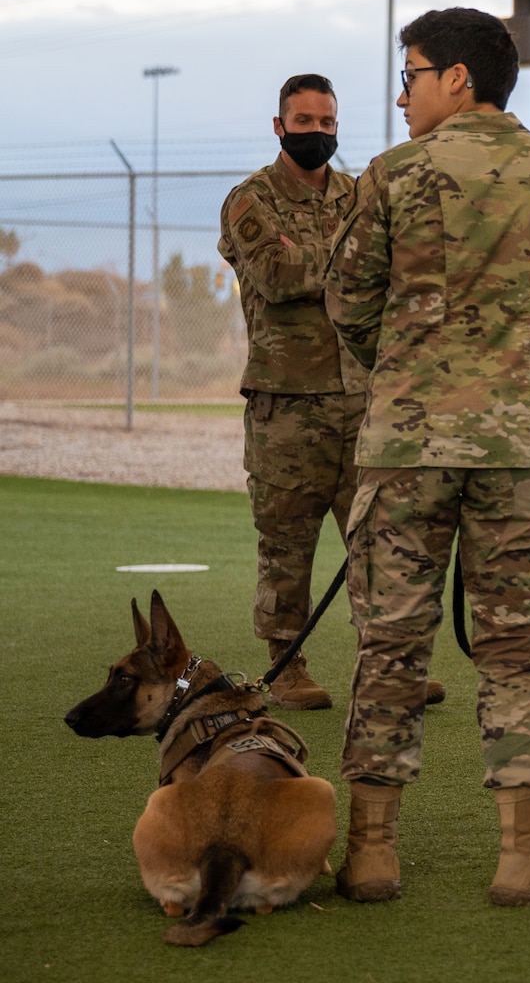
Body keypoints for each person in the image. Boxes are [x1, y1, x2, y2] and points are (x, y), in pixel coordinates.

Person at [326, 7, 530, 907]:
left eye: (410, 74)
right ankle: (524, 854)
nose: (402, 93)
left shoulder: (393, 174)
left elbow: (347, 299)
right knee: (514, 646)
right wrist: (517, 375)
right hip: (518, 447)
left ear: (459, 78)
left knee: (391, 642)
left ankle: (371, 852)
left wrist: (410, 375)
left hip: (407, 443)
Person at [217, 73, 376, 712]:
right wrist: (350, 268)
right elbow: (279, 277)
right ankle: (285, 666)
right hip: (288, 406)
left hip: (363, 402)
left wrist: (325, 265)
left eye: (328, 123)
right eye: (305, 123)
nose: (318, 133)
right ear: (280, 126)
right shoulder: (250, 198)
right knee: (287, 544)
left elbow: (387, 271)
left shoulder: (359, 193)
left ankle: (386, 666)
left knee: (377, 541)